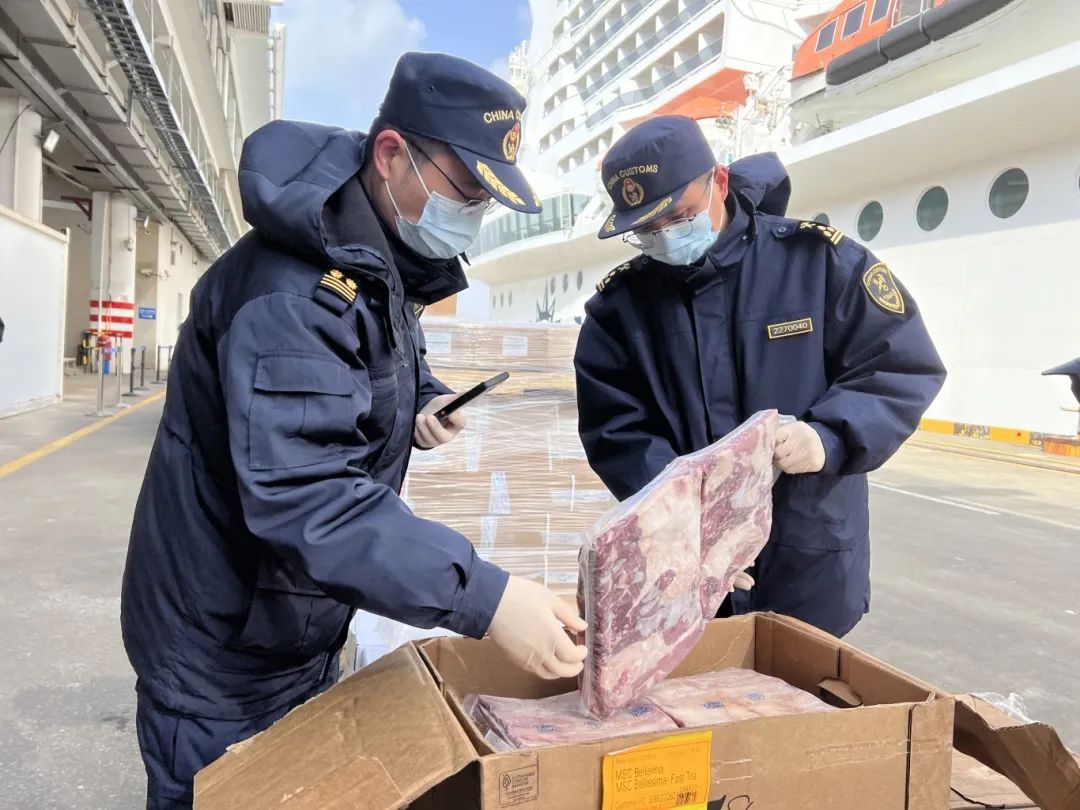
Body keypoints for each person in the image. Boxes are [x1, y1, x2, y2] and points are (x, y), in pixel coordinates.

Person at [121, 52, 585, 808]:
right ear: (392, 153)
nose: (472, 213)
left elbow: (373, 363)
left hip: (286, 615)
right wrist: (489, 598)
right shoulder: (292, 292)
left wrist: (423, 402)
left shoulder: (369, 259)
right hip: (222, 644)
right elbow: (306, 494)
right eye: (465, 189)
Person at [575, 116, 946, 639]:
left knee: (803, 677)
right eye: (648, 231)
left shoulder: (819, 262)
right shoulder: (619, 310)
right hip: (688, 561)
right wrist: (685, 518)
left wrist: (828, 434)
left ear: (719, 182)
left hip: (809, 553)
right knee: (700, 682)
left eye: (680, 216)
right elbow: (616, 430)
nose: (667, 236)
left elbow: (899, 364)